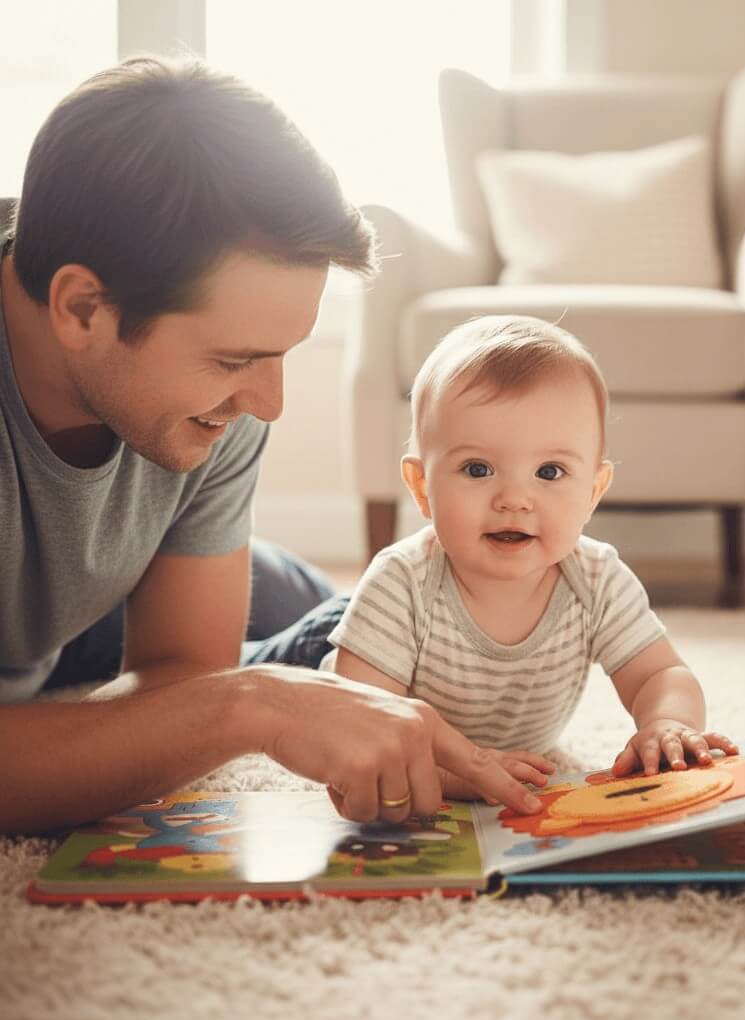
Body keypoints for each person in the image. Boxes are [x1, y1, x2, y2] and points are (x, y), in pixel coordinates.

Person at [0, 57, 545, 836]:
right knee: (301, 674)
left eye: (281, 353)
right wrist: (254, 703)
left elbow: (186, 668)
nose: (269, 405)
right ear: (82, 307)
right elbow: (210, 698)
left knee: (379, 620)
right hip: (59, 610)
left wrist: (233, 698)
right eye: (233, 361)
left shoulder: (216, 392)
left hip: (94, 588)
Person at [318, 315, 738, 799]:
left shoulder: (595, 577)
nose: (515, 498)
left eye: (550, 472)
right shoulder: (401, 582)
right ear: (421, 487)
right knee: (284, 658)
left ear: (593, 491)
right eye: (478, 469)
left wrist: (667, 722)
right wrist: (453, 774)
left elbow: (659, 674)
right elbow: (361, 723)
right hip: (348, 644)